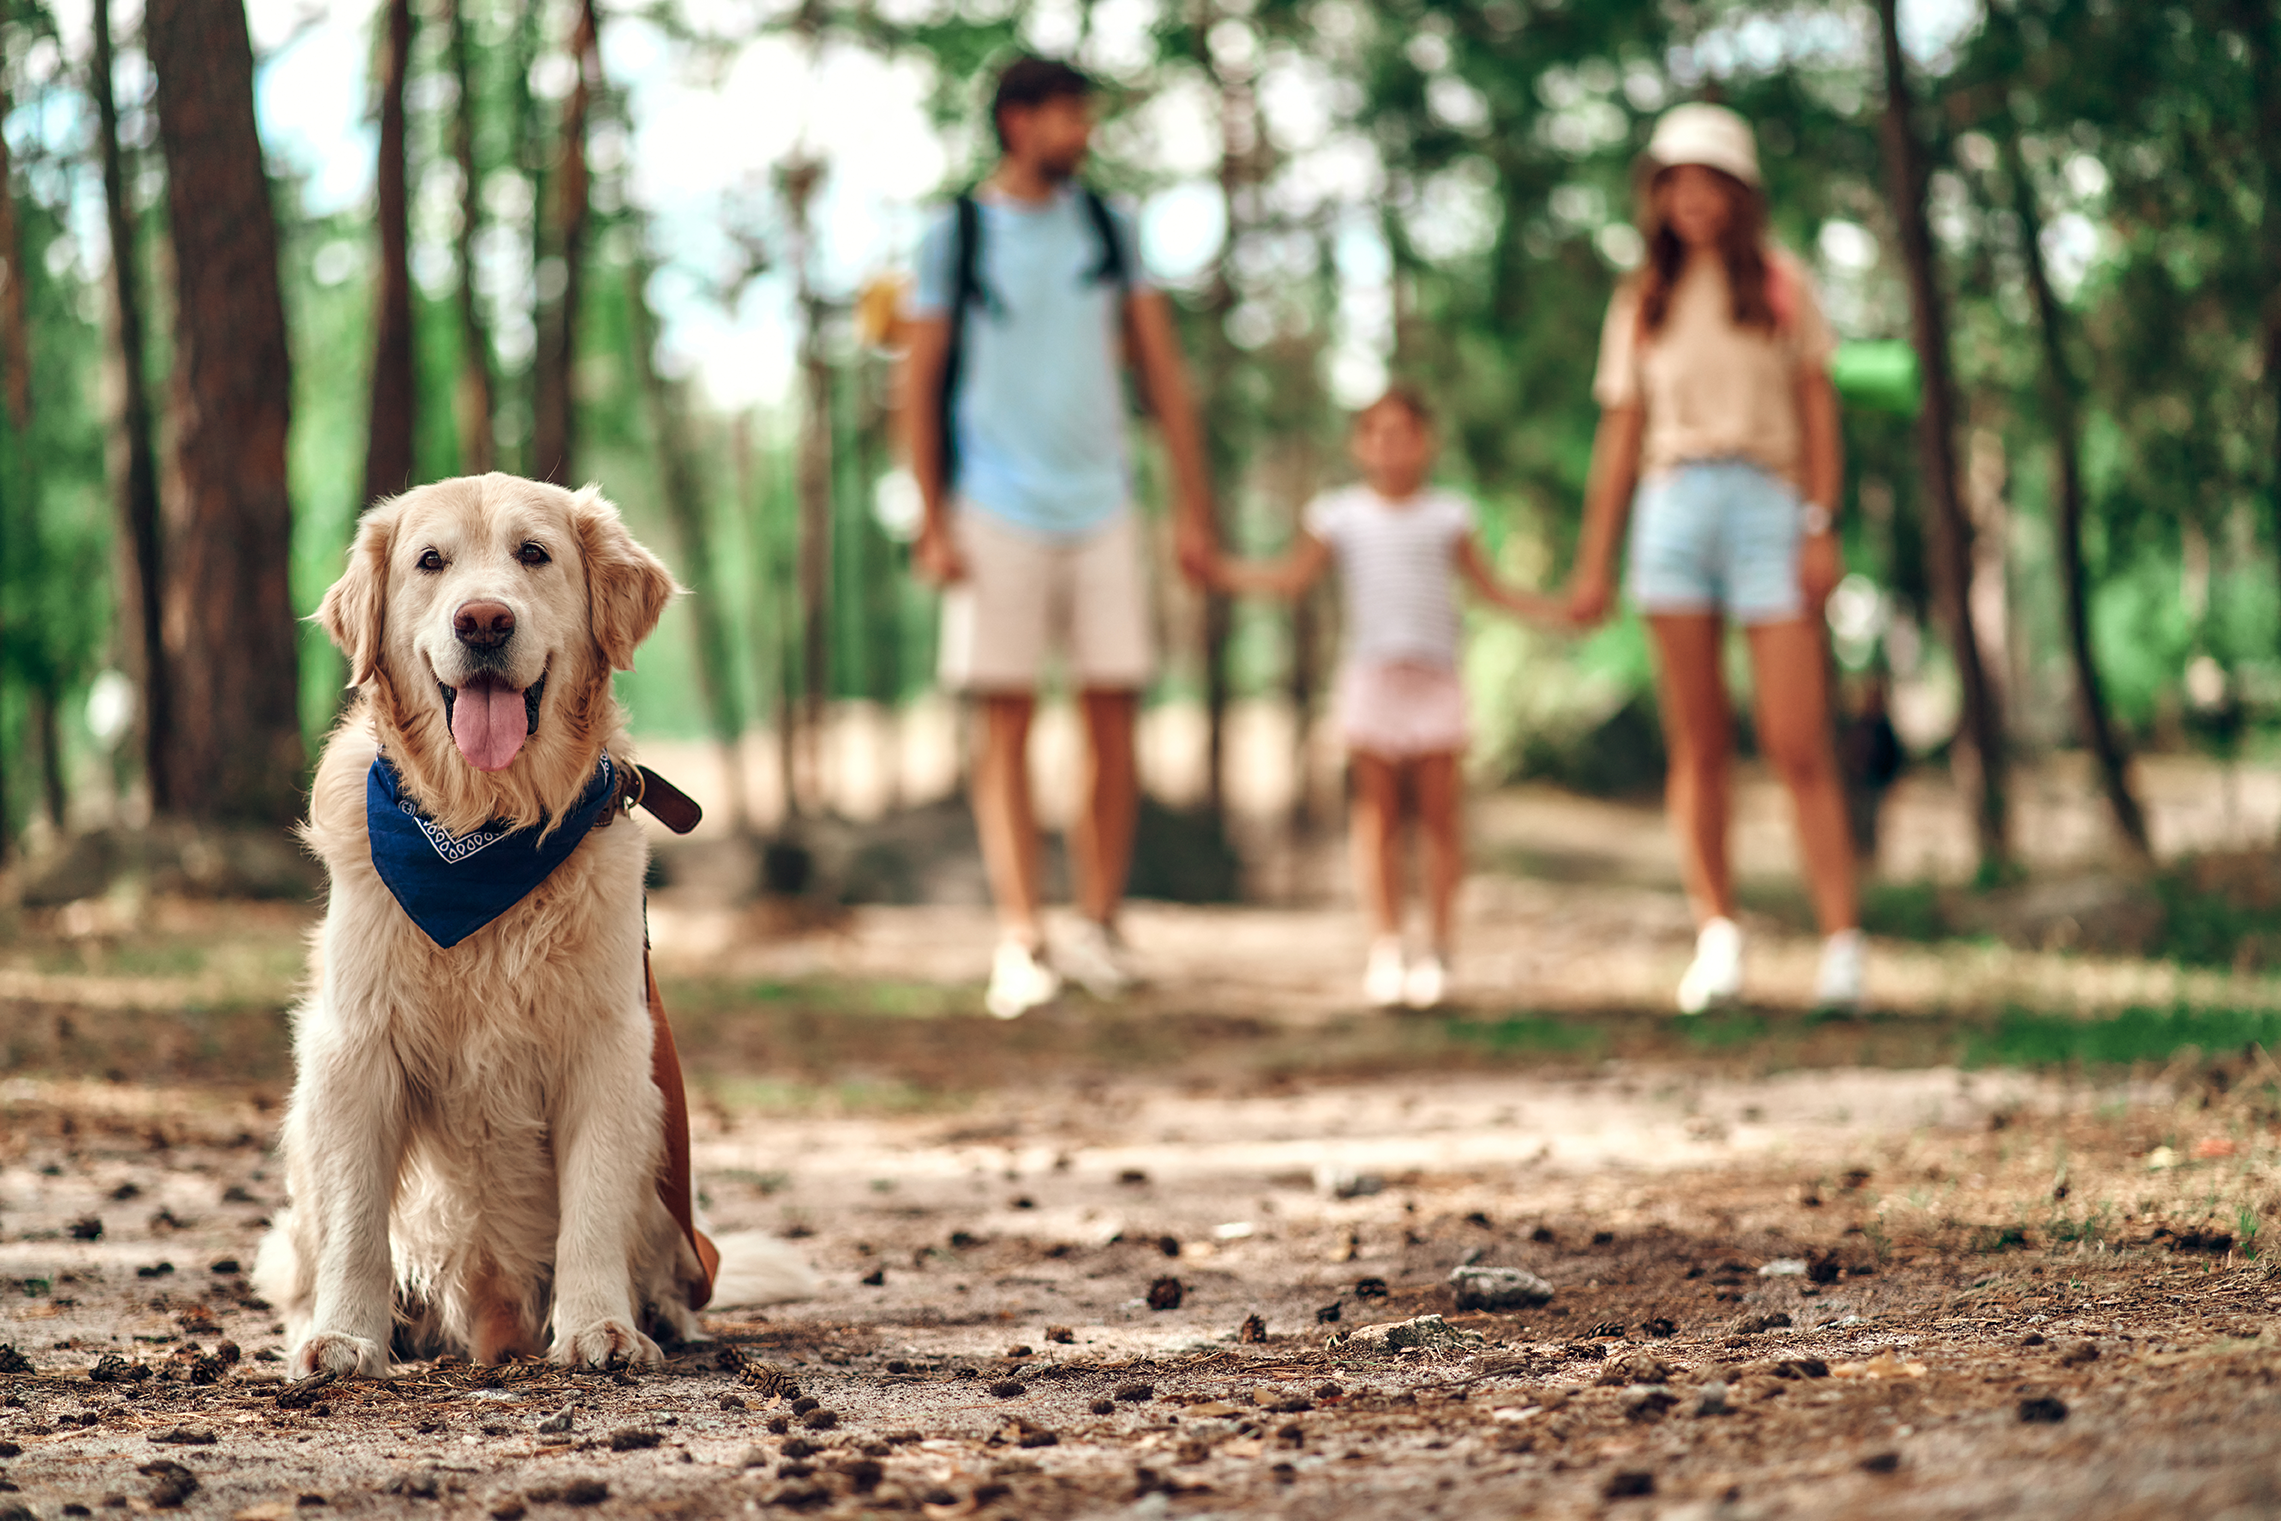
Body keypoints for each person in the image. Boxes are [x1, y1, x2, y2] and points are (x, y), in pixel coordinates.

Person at [902, 56, 1217, 1020]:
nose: (1083, 133)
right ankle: (1021, 934)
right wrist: (931, 515)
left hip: (1104, 502)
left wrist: (1193, 508)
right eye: (1068, 116)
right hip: (993, 505)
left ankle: (1099, 923)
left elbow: (1161, 372)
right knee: (1004, 724)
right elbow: (914, 383)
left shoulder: (1109, 229)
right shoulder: (952, 236)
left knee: (1115, 712)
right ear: (1017, 121)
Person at [1565, 102, 1864, 1013]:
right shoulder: (1640, 301)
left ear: (1736, 193)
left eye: (1707, 182)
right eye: (1674, 183)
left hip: (1768, 504)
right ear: (1657, 196)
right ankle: (1717, 936)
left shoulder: (1780, 283)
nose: (1690, 199)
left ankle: (1840, 945)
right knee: (1696, 741)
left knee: (1793, 736)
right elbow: (1619, 435)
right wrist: (1593, 559)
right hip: (1672, 507)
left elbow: (1818, 408)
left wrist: (1820, 522)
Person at [1207, 388, 1560, 1009]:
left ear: (1427, 442)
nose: (1392, 447)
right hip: (1371, 679)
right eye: (1379, 434)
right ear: (1360, 444)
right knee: (1378, 818)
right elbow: (1292, 577)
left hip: (1435, 678)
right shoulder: (1339, 516)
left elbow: (1490, 590)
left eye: (1405, 433)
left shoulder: (1450, 516)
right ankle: (1388, 947)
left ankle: (1441, 950)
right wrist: (1221, 572)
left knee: (1440, 820)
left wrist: (1560, 610)